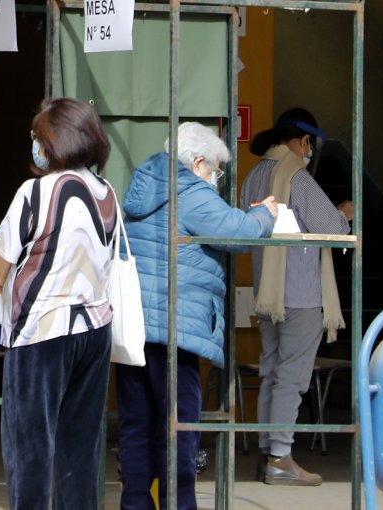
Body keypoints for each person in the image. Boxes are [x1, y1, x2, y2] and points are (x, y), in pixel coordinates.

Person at [116, 122, 277, 510]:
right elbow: (236, 233)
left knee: (137, 425)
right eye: (214, 171)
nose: (215, 179)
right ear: (198, 162)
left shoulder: (144, 185)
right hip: (176, 330)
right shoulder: (188, 190)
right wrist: (264, 215)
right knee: (180, 427)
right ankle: (179, 504)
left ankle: (135, 504)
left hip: (136, 328)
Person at [0, 97, 117, 509]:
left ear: (54, 141)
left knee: (30, 445)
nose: (35, 144)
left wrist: (3, 290)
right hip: (95, 330)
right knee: (80, 446)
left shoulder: (37, 191)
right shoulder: (106, 192)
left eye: (37, 136)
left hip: (41, 329)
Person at [239, 107, 352, 486]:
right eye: (310, 145)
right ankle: (280, 457)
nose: (310, 152)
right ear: (303, 141)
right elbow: (331, 228)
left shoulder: (254, 176)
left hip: (267, 296)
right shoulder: (298, 177)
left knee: (272, 372)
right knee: (292, 378)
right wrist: (344, 214)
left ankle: (267, 451)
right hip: (300, 294)